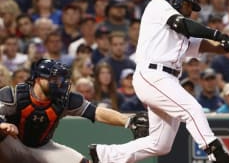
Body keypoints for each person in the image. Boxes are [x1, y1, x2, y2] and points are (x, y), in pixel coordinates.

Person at [89, 0, 229, 163]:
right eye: (188, 5)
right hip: (151, 74)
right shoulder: (158, 6)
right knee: (192, 109)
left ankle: (105, 155)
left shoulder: (182, 34)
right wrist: (219, 35)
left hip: (167, 80)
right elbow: (182, 24)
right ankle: (216, 154)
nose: (190, 10)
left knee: (160, 144)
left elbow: (203, 45)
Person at [0, 59, 148, 163]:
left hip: (42, 146)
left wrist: (128, 121)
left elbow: (96, 112)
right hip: (13, 143)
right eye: (54, 79)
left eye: (60, 79)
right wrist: (2, 125)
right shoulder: (15, 96)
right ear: (39, 79)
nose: (59, 83)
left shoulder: (63, 100)